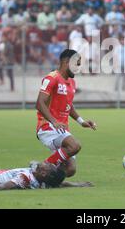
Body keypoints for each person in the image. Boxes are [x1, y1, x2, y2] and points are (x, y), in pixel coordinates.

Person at [35, 49, 97, 178]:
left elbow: (68, 104)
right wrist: (54, 121)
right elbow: (39, 103)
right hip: (48, 126)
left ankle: (40, 177)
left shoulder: (71, 82)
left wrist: (82, 122)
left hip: (61, 129)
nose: (78, 68)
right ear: (66, 62)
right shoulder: (51, 78)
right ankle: (40, 168)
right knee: (74, 146)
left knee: (70, 170)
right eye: (77, 64)